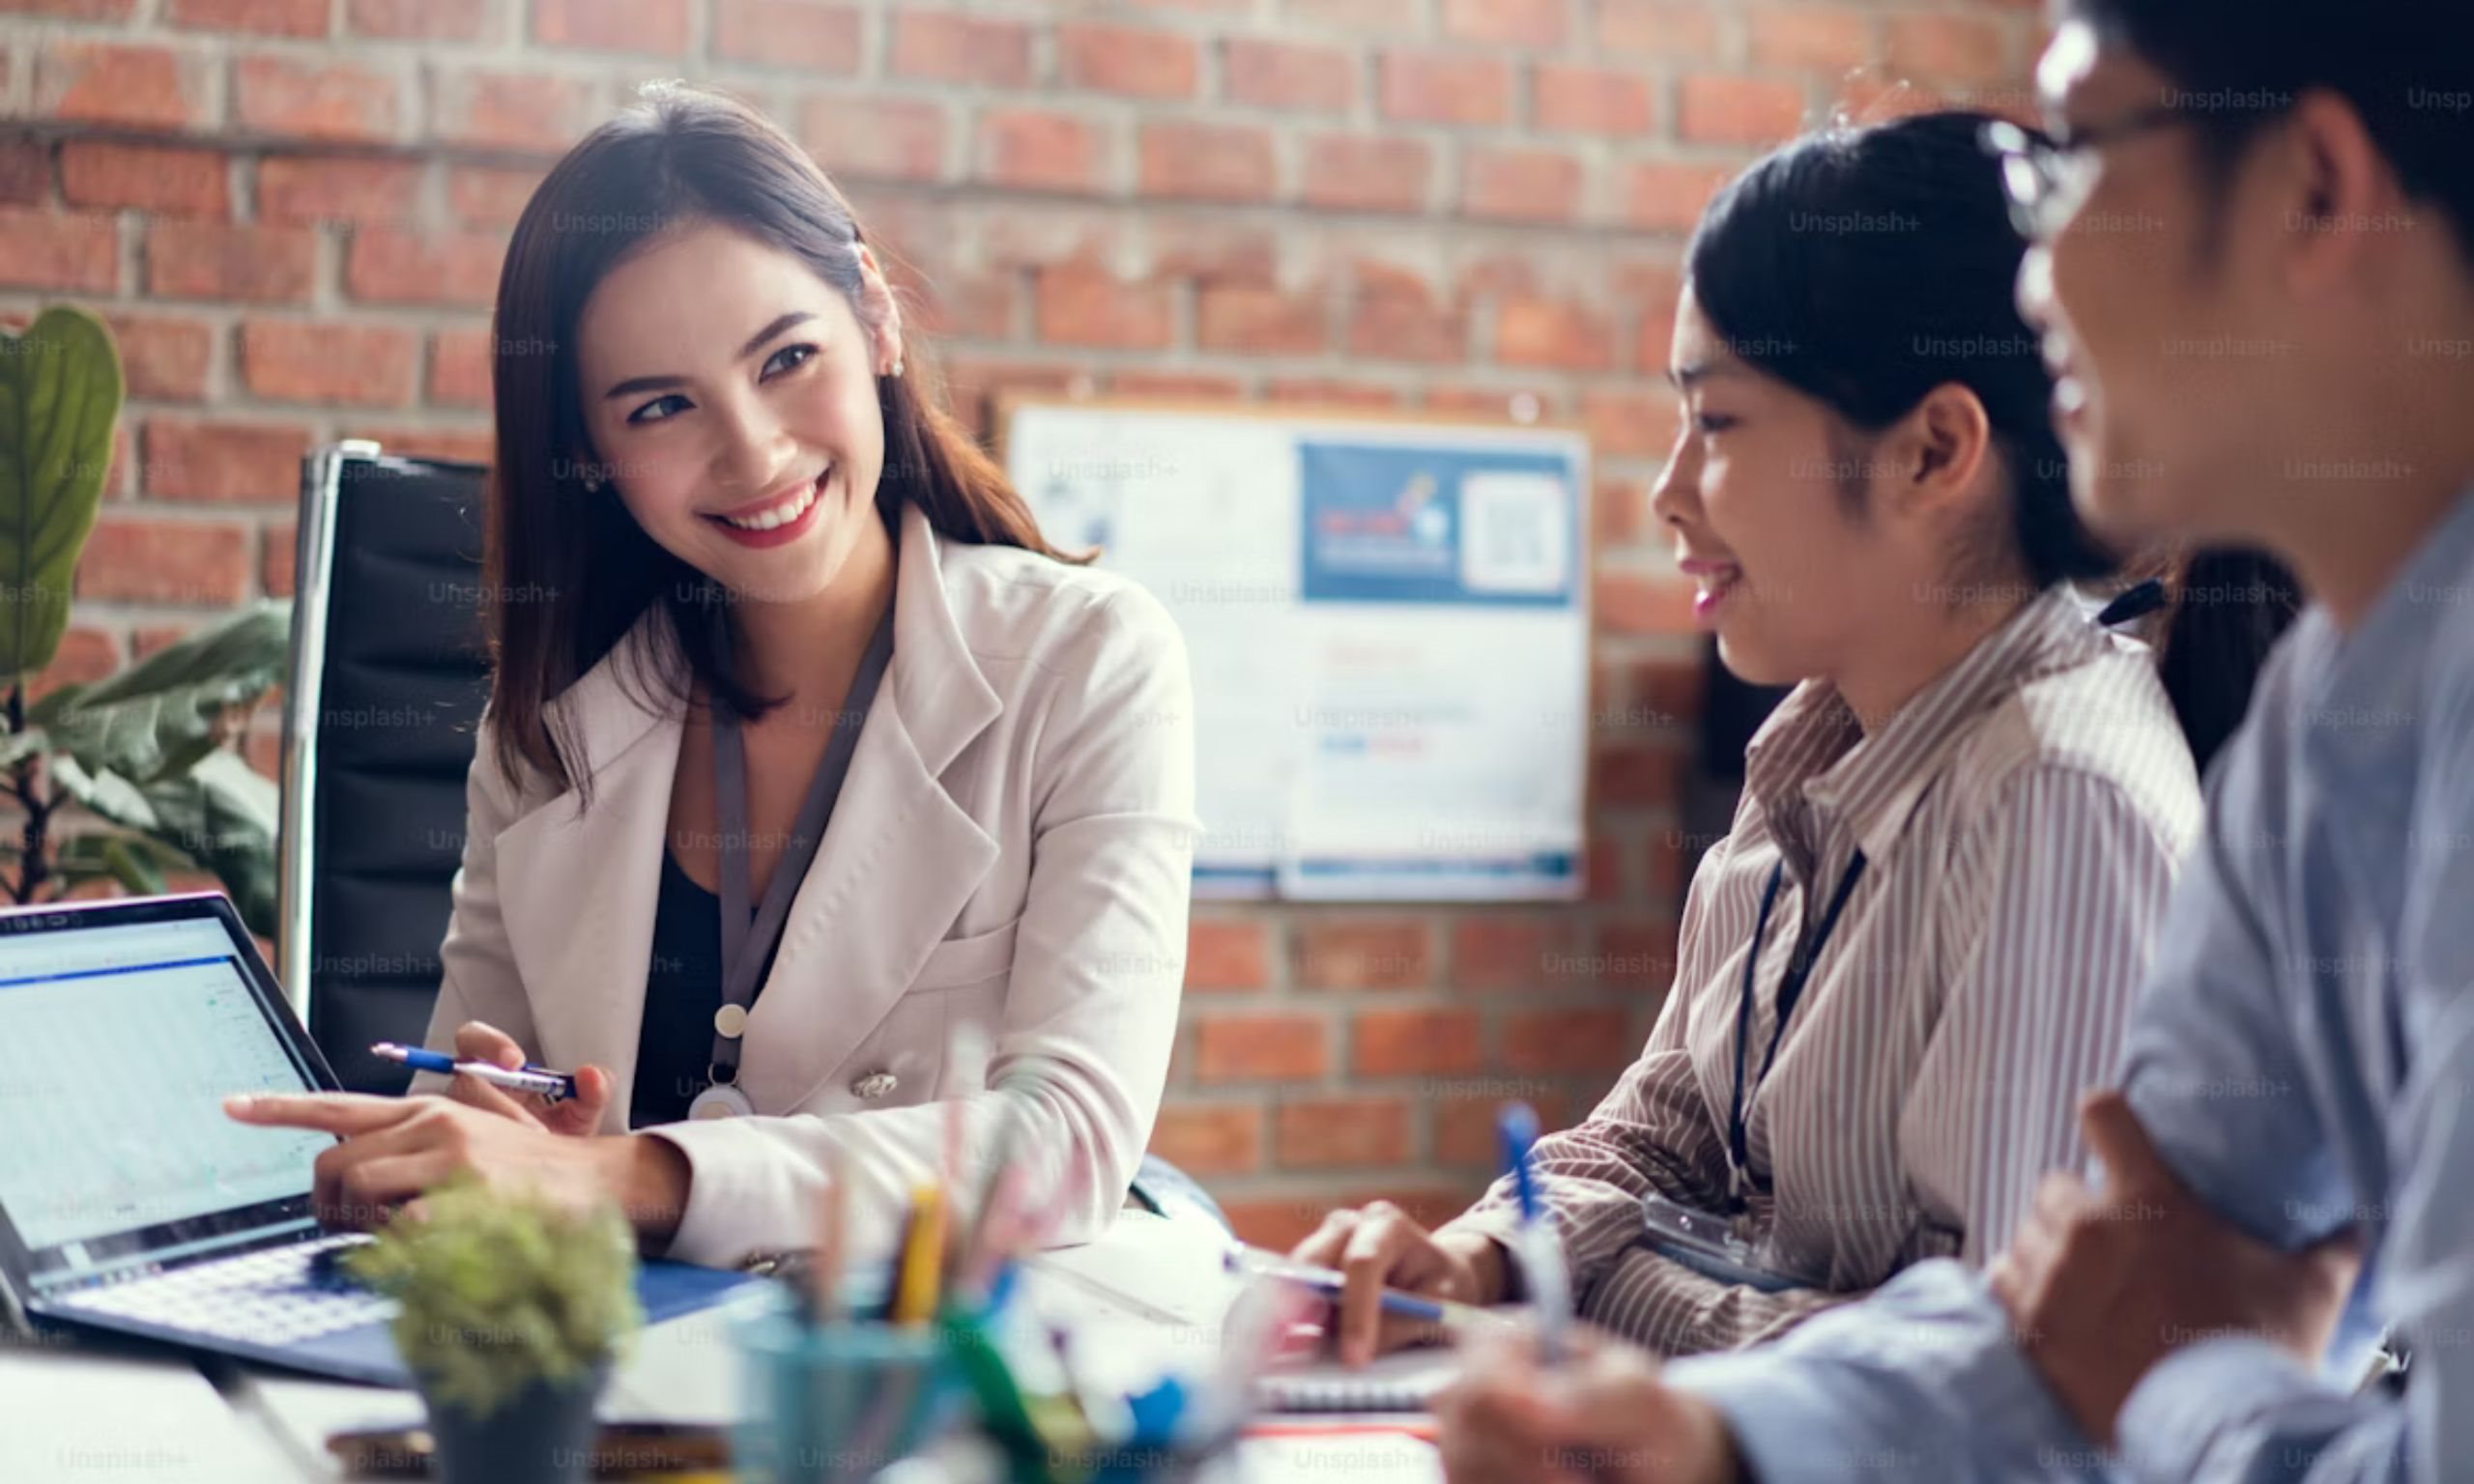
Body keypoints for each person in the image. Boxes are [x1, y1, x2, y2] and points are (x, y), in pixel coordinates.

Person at [1431, 1, 2474, 1479]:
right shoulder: (2333, 710)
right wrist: (1710, 1437)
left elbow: (2156, 1365)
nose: (2036, 284)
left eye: (2075, 168)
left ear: (2312, 188)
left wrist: (2180, 1390)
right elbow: (2072, 1324)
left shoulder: (2082, 770)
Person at [1293, 109, 2295, 1363]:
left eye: (1715, 427)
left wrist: (1599, 1292)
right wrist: (1483, 1254)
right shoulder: (1814, 748)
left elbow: (2002, 1380)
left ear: (1933, 452)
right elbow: (1662, 1135)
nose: (1666, 494)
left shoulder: (2057, 797)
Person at [224, 84, 1198, 1270]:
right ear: (588, 454)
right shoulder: (547, 735)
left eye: (787, 358)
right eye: (661, 407)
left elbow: (1069, 1145)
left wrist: (626, 1173)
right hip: (624, 1390)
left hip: (917, 1397)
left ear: (875, 319)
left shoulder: (1087, 662)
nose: (754, 451)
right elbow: (504, 1125)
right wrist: (502, 1143)